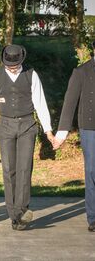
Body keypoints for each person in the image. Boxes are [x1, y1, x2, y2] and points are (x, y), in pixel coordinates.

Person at [0, 44, 54, 231]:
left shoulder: (32, 75)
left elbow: (41, 103)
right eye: (8, 65)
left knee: (24, 169)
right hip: (5, 125)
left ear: (21, 61)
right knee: (9, 170)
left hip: (27, 125)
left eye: (14, 65)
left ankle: (21, 211)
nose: (12, 67)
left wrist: (48, 130)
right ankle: (13, 213)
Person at [54, 41, 95, 232]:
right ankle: (93, 217)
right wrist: (62, 132)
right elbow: (70, 103)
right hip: (90, 129)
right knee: (92, 172)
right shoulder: (81, 72)